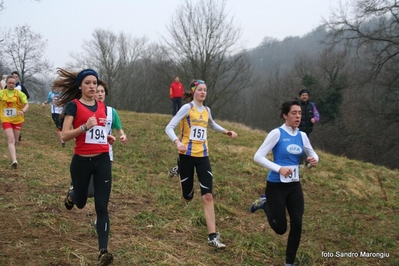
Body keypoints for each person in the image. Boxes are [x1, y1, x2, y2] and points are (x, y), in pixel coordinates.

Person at [165, 79, 238, 249]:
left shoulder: (206, 110)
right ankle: (180, 170)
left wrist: (226, 131)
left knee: (207, 196)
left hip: (203, 156)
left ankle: (212, 236)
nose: (203, 92)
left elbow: (211, 124)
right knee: (187, 197)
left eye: (205, 90)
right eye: (200, 90)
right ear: (194, 92)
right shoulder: (186, 108)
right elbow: (169, 127)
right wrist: (177, 142)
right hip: (186, 156)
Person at [54, 68, 114, 266]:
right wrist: (84, 127)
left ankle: (102, 251)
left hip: (103, 160)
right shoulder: (73, 106)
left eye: (94, 83)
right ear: (80, 85)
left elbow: (98, 132)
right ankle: (72, 195)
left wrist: (107, 137)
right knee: (80, 202)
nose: (92, 86)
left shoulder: (103, 107)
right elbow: (64, 135)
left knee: (101, 206)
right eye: (87, 83)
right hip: (81, 161)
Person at [249, 98, 319, 266]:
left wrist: (313, 160)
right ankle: (264, 203)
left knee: (297, 223)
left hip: (294, 186)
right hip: (276, 186)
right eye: (294, 113)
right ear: (285, 115)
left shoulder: (302, 136)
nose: (298, 116)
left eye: (300, 113)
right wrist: (278, 168)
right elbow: (258, 156)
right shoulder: (277, 133)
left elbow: (313, 154)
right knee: (281, 229)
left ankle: (289, 262)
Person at [0, 75, 29, 169]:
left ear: (15, 84)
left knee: (15, 141)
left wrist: (23, 111)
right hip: (6, 119)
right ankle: (14, 161)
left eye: (13, 83)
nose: (11, 84)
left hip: (17, 119)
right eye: (9, 83)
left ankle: (13, 154)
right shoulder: (2, 93)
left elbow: (27, 104)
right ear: (6, 83)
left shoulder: (19, 93)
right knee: (11, 139)